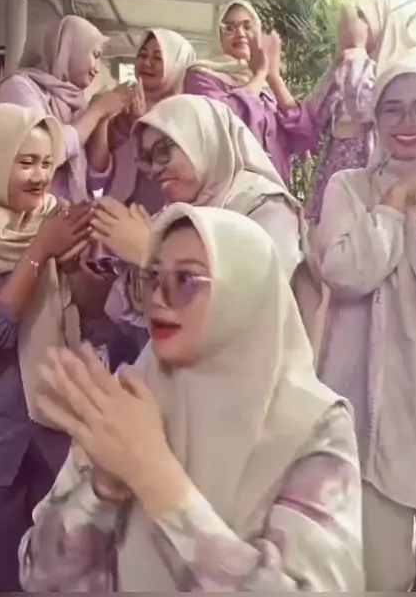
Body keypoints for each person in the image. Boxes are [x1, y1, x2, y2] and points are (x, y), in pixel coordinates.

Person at [19, 204, 363, 592]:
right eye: (153, 277)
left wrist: (155, 477)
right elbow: (40, 578)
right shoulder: (128, 397)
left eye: (186, 280)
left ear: (242, 294)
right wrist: (102, 489)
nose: (158, 299)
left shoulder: (315, 425)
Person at [314, 49, 416, 591]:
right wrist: (395, 202)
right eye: (393, 108)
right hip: (368, 421)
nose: (407, 121)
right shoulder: (350, 188)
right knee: (375, 579)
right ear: (376, 116)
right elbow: (345, 272)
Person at [90, 94, 324, 358]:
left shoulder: (267, 208)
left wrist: (151, 254)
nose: (155, 169)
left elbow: (258, 305)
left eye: (163, 151)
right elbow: (139, 324)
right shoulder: (172, 217)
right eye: (148, 158)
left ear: (203, 139)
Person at [0, 104, 96, 590]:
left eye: (45, 163)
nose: (39, 176)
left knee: (54, 563)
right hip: (4, 438)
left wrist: (73, 264)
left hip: (55, 423)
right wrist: (40, 251)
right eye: (24, 162)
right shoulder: (43, 233)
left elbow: (96, 316)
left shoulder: (55, 218)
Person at [305, 0, 416, 222]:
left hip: (370, 174)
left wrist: (358, 52)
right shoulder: (347, 67)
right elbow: (315, 112)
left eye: (359, 19)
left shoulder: (398, 74)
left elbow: (362, 108)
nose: (349, 29)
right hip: (334, 174)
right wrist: (338, 62)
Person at [0, 14, 131, 202]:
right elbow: (44, 154)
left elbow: (97, 180)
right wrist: (96, 112)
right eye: (94, 55)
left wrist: (103, 119)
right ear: (69, 48)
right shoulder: (19, 87)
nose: (97, 68)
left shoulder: (78, 103)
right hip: (34, 214)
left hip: (70, 214)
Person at [184, 0, 313, 183]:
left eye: (247, 26)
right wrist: (260, 74)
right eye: (230, 27)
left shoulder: (269, 87)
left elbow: (303, 136)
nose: (240, 33)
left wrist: (274, 77)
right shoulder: (201, 76)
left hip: (273, 189)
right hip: (227, 189)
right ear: (219, 35)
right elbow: (223, 118)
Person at [90, 28, 195, 213]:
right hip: (116, 208)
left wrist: (140, 126)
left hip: (162, 210)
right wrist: (103, 117)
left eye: (157, 58)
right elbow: (98, 169)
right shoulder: (121, 99)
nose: (147, 63)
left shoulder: (187, 113)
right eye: (143, 55)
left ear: (176, 65)